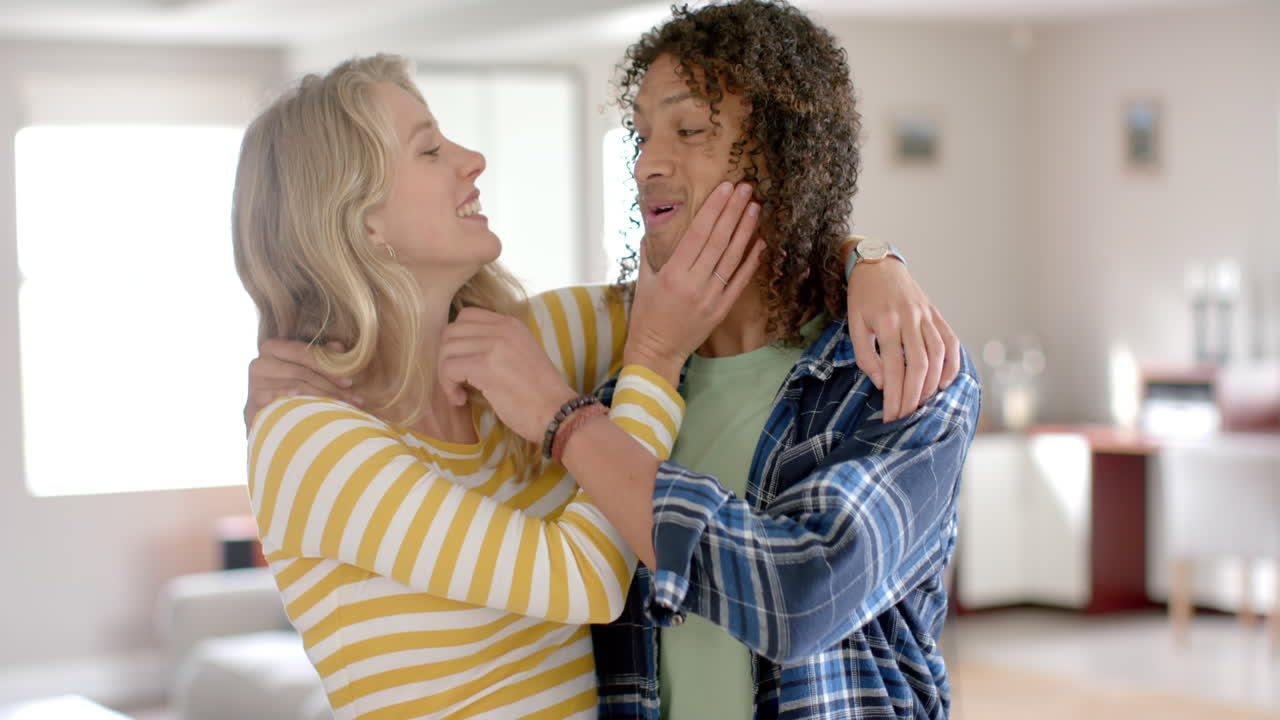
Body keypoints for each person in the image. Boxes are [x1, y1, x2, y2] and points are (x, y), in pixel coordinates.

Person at [234, 53, 770, 720]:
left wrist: (867, 264)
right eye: (429, 150)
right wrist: (652, 362)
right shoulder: (308, 440)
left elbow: (733, 287)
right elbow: (588, 581)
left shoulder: (522, 345)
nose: (472, 159)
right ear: (361, 220)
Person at [572, 3, 982, 719]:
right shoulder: (630, 384)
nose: (646, 163)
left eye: (690, 129)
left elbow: (802, 595)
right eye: (641, 134)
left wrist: (569, 429)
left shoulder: (899, 372)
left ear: (785, 154)